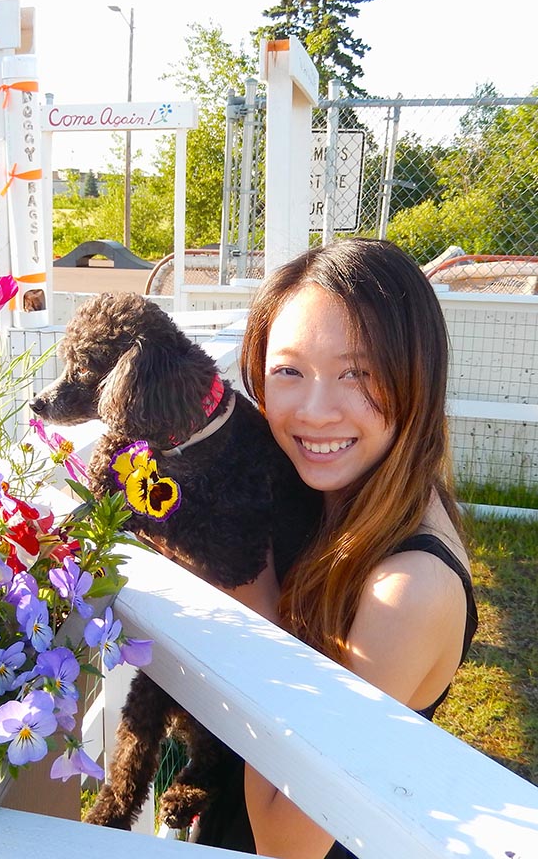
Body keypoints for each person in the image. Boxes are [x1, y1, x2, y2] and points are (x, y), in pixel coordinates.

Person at [192, 238, 477, 858]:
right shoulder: (332, 500)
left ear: (417, 380)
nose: (316, 412)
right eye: (289, 371)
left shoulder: (407, 590)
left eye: (358, 373)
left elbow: (288, 840)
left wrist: (253, 598)